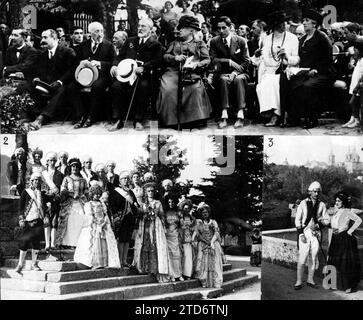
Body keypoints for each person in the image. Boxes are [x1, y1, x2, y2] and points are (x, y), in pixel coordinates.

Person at [157, 15, 212, 128]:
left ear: (191, 30)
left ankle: (193, 120)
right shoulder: (174, 43)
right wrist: (174, 58)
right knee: (168, 89)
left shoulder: (200, 43)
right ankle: (171, 120)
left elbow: (207, 59)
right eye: (179, 27)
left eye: (183, 28)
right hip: (173, 72)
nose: (179, 30)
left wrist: (198, 64)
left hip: (192, 73)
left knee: (194, 89)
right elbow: (165, 56)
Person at [109, 18, 162, 131]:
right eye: (139, 26)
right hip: (125, 74)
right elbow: (119, 56)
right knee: (116, 86)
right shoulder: (130, 41)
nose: (140, 28)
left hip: (142, 75)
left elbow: (158, 61)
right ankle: (117, 119)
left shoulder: (155, 44)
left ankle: (138, 120)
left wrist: (144, 67)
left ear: (150, 29)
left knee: (143, 87)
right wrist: (114, 65)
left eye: (143, 26)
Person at [288, 9, 335, 129]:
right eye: (303, 20)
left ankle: (312, 118)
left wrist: (316, 70)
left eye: (307, 21)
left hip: (323, 73)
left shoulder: (322, 37)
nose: (303, 23)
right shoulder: (303, 39)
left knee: (308, 86)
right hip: (306, 72)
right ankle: (294, 118)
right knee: (292, 84)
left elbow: (328, 59)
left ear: (314, 24)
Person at [256, 11, 299, 127]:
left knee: (276, 82)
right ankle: (272, 112)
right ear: (275, 24)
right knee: (263, 85)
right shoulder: (267, 39)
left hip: (288, 69)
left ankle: (277, 115)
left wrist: (287, 57)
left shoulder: (293, 38)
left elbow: (297, 59)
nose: (284, 25)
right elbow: (264, 59)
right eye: (281, 23)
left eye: (285, 23)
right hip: (269, 70)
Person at [28, 29, 77, 130]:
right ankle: (33, 114)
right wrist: (37, 78)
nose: (42, 40)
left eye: (45, 37)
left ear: (54, 38)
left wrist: (60, 81)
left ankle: (42, 118)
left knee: (61, 89)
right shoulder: (43, 54)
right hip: (47, 84)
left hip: (64, 83)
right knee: (29, 86)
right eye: (42, 37)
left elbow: (72, 70)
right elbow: (37, 69)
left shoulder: (67, 51)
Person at [72, 22, 116, 129]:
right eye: (97, 31)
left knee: (97, 86)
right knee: (71, 87)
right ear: (90, 33)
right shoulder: (83, 45)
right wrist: (81, 62)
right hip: (85, 76)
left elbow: (114, 62)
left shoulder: (109, 45)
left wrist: (100, 63)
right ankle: (81, 115)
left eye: (101, 31)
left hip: (102, 76)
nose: (100, 34)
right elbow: (75, 61)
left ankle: (91, 116)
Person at [210, 16, 250, 129]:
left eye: (224, 28)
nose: (221, 31)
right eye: (219, 28)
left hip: (240, 73)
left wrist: (235, 73)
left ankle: (240, 115)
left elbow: (246, 61)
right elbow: (213, 60)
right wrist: (229, 61)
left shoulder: (241, 41)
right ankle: (224, 115)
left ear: (230, 27)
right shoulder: (214, 41)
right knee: (223, 79)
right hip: (222, 73)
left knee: (239, 80)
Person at [74, 184, 121, 269]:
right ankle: (96, 262)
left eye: (99, 194)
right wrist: (97, 224)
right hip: (94, 225)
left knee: (104, 243)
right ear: (92, 194)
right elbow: (90, 216)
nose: (98, 195)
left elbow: (105, 214)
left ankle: (104, 262)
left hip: (103, 224)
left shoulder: (102, 203)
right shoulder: (89, 204)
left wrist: (104, 223)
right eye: (96, 194)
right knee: (94, 243)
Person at [14, 172, 53, 273]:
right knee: (24, 243)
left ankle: (34, 264)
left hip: (38, 221)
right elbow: (20, 207)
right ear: (31, 181)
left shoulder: (42, 193)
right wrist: (21, 219)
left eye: (38, 180)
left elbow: (53, 197)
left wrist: (48, 206)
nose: (37, 182)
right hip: (27, 220)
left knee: (36, 244)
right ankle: (20, 264)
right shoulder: (25, 192)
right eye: (35, 180)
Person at [326, 192, 362, 293]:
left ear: (343, 202)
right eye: (336, 201)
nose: (336, 203)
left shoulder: (347, 212)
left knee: (345, 263)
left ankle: (348, 286)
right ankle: (330, 283)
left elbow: (358, 220)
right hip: (335, 238)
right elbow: (333, 224)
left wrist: (350, 231)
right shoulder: (336, 212)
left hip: (344, 238)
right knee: (332, 260)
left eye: (339, 201)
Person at [294, 181, 327, 290]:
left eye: (318, 192)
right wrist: (301, 234)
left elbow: (327, 220)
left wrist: (317, 225)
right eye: (314, 191)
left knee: (313, 258)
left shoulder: (322, 205)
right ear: (310, 192)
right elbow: (297, 220)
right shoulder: (303, 203)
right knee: (302, 258)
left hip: (316, 234)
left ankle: (310, 279)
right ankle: (299, 281)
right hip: (304, 233)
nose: (316, 194)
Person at [133, 182, 169, 282]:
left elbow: (162, 215)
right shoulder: (143, 204)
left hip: (156, 225)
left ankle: (154, 268)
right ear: (145, 192)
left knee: (154, 245)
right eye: (148, 191)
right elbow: (139, 216)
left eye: (152, 191)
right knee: (145, 244)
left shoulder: (158, 203)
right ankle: (145, 267)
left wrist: (163, 226)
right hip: (145, 226)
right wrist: (143, 214)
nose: (150, 193)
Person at [55, 158, 88, 248]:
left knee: (80, 221)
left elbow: (86, 192)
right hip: (69, 203)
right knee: (69, 222)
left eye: (77, 167)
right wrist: (69, 194)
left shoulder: (83, 180)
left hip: (80, 203)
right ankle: (67, 243)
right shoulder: (67, 178)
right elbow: (62, 190)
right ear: (70, 168)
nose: (75, 168)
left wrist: (82, 196)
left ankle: (78, 243)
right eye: (73, 166)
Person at [109, 171, 139, 268]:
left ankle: (125, 260)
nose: (125, 180)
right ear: (120, 181)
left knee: (127, 240)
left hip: (130, 218)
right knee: (121, 240)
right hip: (120, 219)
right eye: (123, 179)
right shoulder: (115, 192)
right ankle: (120, 260)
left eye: (127, 178)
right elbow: (112, 206)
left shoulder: (130, 192)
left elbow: (135, 204)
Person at [194, 203, 223, 288]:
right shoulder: (199, 222)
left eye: (206, 212)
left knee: (214, 263)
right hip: (203, 243)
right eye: (203, 213)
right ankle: (204, 280)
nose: (205, 214)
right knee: (203, 262)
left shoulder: (213, 222)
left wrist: (211, 242)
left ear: (209, 213)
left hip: (213, 243)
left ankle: (215, 282)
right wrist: (205, 241)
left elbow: (217, 233)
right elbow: (198, 234)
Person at [42, 152, 64, 252]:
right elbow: (40, 186)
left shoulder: (60, 174)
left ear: (55, 162)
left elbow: (61, 187)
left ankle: (53, 243)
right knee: (46, 221)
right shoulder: (43, 174)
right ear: (47, 161)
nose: (51, 162)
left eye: (53, 161)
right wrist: (46, 193)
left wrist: (56, 194)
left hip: (55, 199)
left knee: (54, 220)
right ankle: (47, 244)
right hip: (45, 199)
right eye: (50, 160)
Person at [342, 39, 363, 128]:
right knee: (353, 103)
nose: (354, 52)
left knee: (354, 102)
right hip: (354, 83)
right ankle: (352, 118)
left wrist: (358, 85)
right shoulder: (359, 60)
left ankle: (357, 119)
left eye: (356, 50)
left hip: (358, 85)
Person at [164, 195, 184, 281]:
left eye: (172, 202)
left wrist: (180, 235)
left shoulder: (177, 214)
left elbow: (180, 226)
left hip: (175, 235)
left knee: (177, 255)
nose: (171, 204)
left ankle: (179, 274)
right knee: (170, 255)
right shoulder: (164, 213)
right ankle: (172, 275)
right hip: (168, 236)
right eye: (169, 202)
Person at [179, 199, 196, 280]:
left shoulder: (192, 218)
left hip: (189, 240)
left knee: (189, 257)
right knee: (182, 257)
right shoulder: (180, 218)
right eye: (185, 208)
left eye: (188, 208)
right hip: (182, 239)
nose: (186, 210)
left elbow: (195, 229)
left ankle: (188, 274)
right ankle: (181, 273)